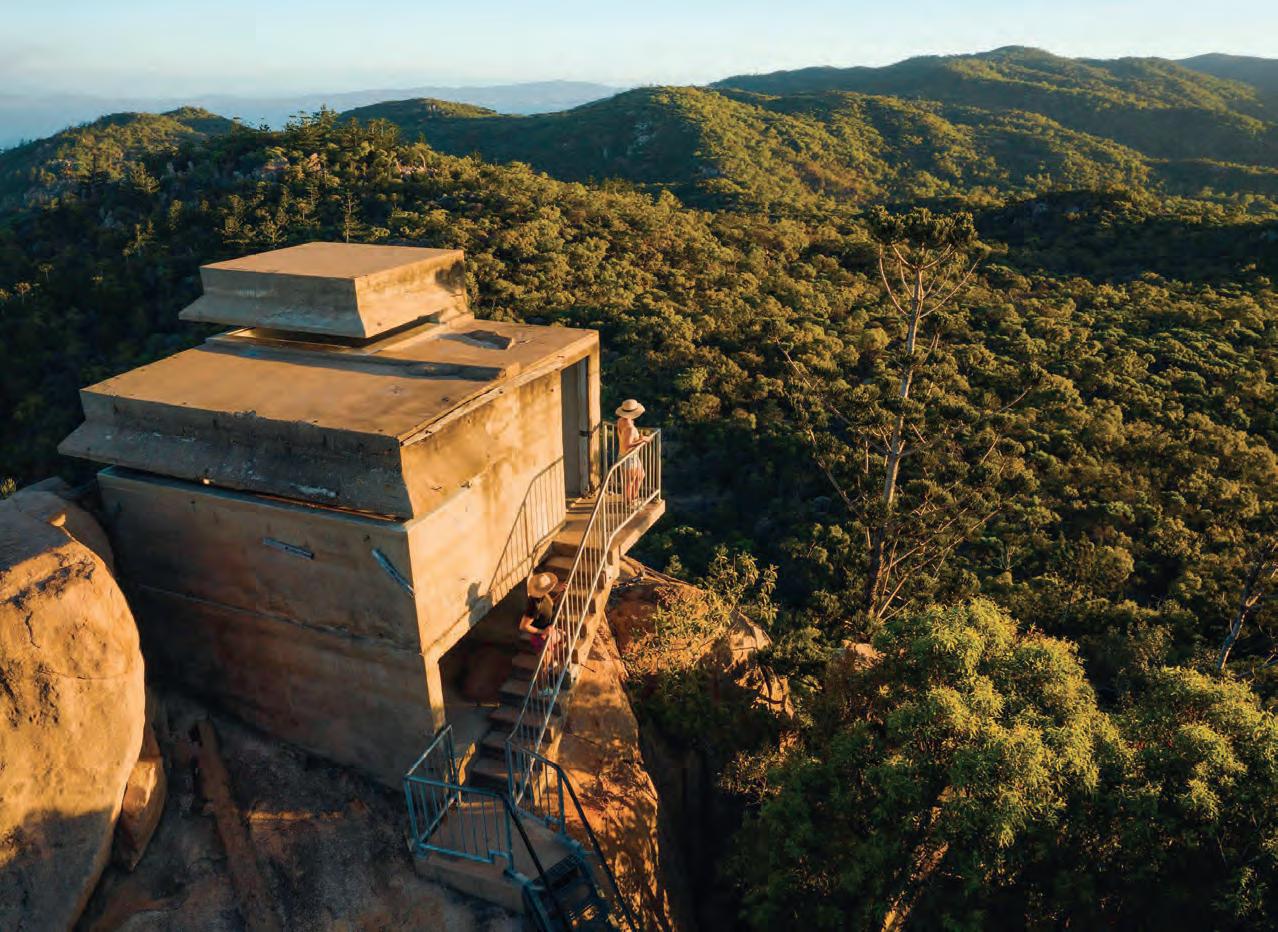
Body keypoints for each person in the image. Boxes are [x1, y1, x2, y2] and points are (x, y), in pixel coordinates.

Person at [519, 572, 562, 694]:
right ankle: (542, 689)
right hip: (540, 638)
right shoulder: (534, 606)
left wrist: (560, 594)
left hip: (548, 632)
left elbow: (548, 607)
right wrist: (543, 631)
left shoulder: (544, 596)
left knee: (563, 637)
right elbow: (523, 626)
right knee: (542, 667)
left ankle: (551, 663)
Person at [615, 398, 647, 500]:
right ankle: (628, 502)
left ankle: (633, 498)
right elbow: (627, 446)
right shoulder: (630, 428)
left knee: (640, 475)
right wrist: (642, 440)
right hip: (628, 457)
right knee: (630, 481)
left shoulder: (620, 421)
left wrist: (639, 439)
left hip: (628, 455)